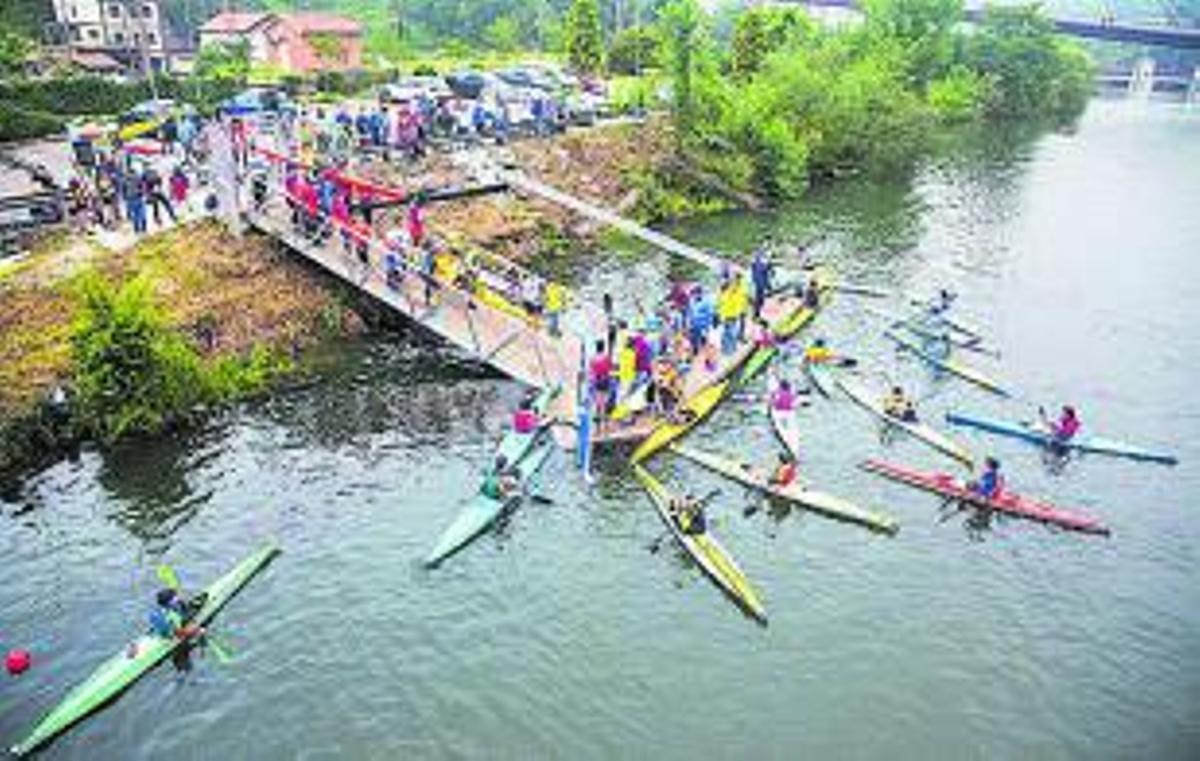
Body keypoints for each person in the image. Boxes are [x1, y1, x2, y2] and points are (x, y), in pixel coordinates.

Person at [750, 247, 773, 319]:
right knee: (758, 300)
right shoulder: (758, 263)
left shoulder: (757, 263)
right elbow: (764, 270)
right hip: (759, 284)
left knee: (760, 300)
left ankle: (757, 314)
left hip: (760, 283)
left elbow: (766, 273)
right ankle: (756, 314)